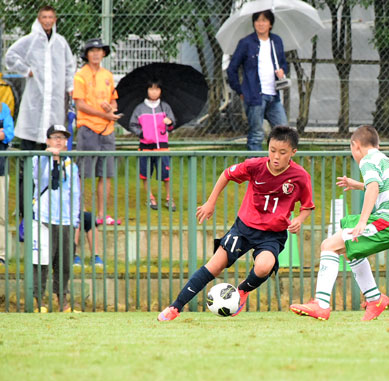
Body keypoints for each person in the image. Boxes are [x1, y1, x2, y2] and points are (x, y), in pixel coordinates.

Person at [158, 126, 314, 321]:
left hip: (272, 235)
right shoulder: (255, 166)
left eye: (282, 153)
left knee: (265, 266)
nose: (276, 157)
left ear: (293, 152)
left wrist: (299, 219)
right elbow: (226, 174)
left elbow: (307, 206)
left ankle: (241, 291)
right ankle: (175, 307)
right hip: (244, 228)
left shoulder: (300, 176)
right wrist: (210, 202)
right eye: (272, 150)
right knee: (214, 266)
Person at [290, 125, 389, 321]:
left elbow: (373, 187)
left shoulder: (367, 160)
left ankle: (321, 305)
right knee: (349, 250)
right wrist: (356, 184)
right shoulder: (383, 159)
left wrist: (363, 221)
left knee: (328, 245)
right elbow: (379, 185)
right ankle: (374, 299)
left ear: (356, 146)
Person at [4, 5, 75, 219]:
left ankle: (45, 210)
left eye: (51, 17)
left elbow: (70, 67)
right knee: (28, 165)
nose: (47, 20)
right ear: (39, 18)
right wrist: (26, 70)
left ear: (55, 19)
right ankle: (24, 209)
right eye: (44, 16)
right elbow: (11, 56)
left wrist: (70, 88)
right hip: (33, 110)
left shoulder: (61, 43)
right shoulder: (30, 40)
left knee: (50, 163)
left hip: (53, 112)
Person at [32, 124, 80, 312]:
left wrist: (75, 222)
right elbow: (38, 178)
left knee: (64, 264)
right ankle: (38, 302)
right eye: (55, 137)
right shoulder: (38, 159)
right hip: (44, 218)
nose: (59, 141)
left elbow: (75, 194)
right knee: (42, 261)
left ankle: (63, 303)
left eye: (63, 137)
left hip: (66, 220)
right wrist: (48, 157)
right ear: (48, 140)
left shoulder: (71, 165)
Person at [73, 38, 120, 226]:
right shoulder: (80, 75)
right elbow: (80, 104)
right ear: (86, 54)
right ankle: (81, 210)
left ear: (103, 54)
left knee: (106, 173)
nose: (95, 53)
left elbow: (114, 101)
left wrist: (111, 109)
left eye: (99, 50)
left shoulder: (107, 75)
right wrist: (103, 114)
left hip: (107, 130)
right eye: (92, 50)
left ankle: (102, 214)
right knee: (83, 173)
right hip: (88, 128)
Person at [226, 9, 288, 151]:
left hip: (274, 95)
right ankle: (255, 168)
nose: (260, 24)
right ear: (254, 23)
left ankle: (279, 166)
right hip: (254, 96)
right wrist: (241, 91)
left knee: (284, 131)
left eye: (264, 21)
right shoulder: (246, 43)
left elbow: (283, 63)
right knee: (256, 134)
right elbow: (232, 69)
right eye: (257, 21)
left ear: (270, 24)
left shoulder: (276, 41)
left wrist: (282, 71)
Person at [128, 79, 177, 210]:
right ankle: (150, 197)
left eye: (157, 89)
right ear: (147, 90)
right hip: (145, 146)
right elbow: (132, 125)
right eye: (151, 89)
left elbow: (172, 125)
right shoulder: (140, 108)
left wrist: (169, 123)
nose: (154, 92)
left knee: (165, 174)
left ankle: (169, 197)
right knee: (145, 173)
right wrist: (142, 133)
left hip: (162, 146)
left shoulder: (165, 107)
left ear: (161, 91)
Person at [0, 102, 15, 265]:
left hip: (1, 171)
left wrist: (4, 133)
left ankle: (1, 254)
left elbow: (9, 133)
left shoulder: (3, 108)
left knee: (1, 215)